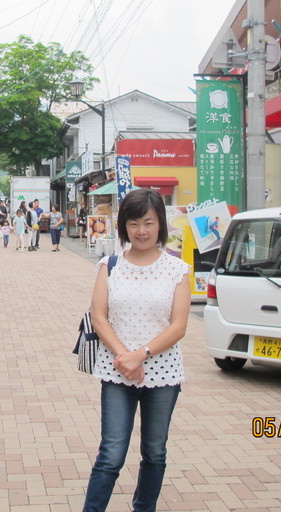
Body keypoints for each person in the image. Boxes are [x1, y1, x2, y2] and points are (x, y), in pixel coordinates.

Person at [82, 189, 191, 512]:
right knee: (111, 452)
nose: (141, 230)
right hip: (117, 373)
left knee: (154, 451)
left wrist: (140, 354)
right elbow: (99, 316)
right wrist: (124, 358)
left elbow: (178, 326)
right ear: (123, 226)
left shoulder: (177, 270)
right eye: (134, 223)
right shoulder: (109, 265)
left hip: (163, 373)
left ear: (160, 225)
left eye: (148, 222)